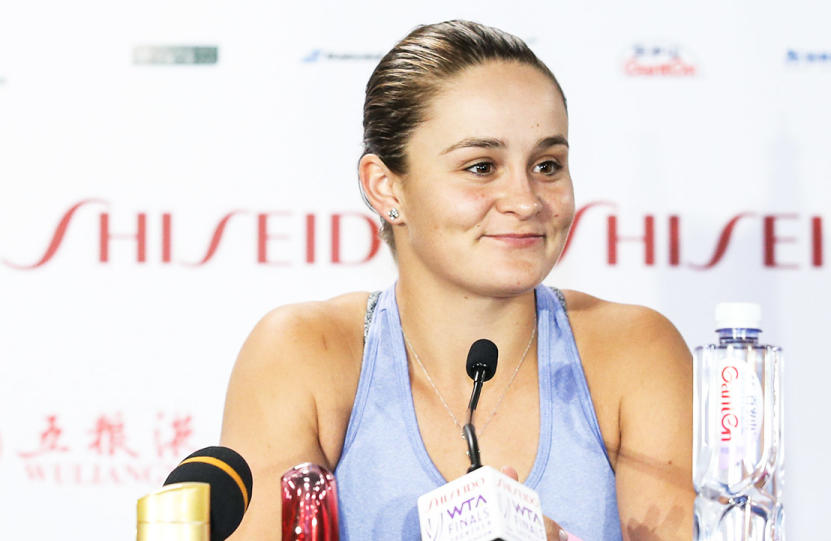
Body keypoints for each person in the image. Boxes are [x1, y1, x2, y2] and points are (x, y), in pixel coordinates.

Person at [220, 20, 693, 540]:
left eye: (548, 165)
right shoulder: (303, 353)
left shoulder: (638, 351)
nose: (526, 200)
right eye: (482, 167)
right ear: (385, 187)